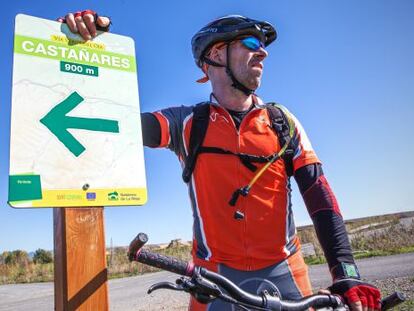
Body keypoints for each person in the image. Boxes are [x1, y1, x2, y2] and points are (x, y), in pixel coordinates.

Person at [60, 10, 381, 311]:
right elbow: (107, 123)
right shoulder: (187, 123)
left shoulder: (283, 121)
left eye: (263, 46)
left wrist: (346, 273)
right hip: (213, 278)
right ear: (215, 54)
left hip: (286, 273)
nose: (263, 53)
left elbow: (319, 196)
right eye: (252, 43)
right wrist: (76, 47)